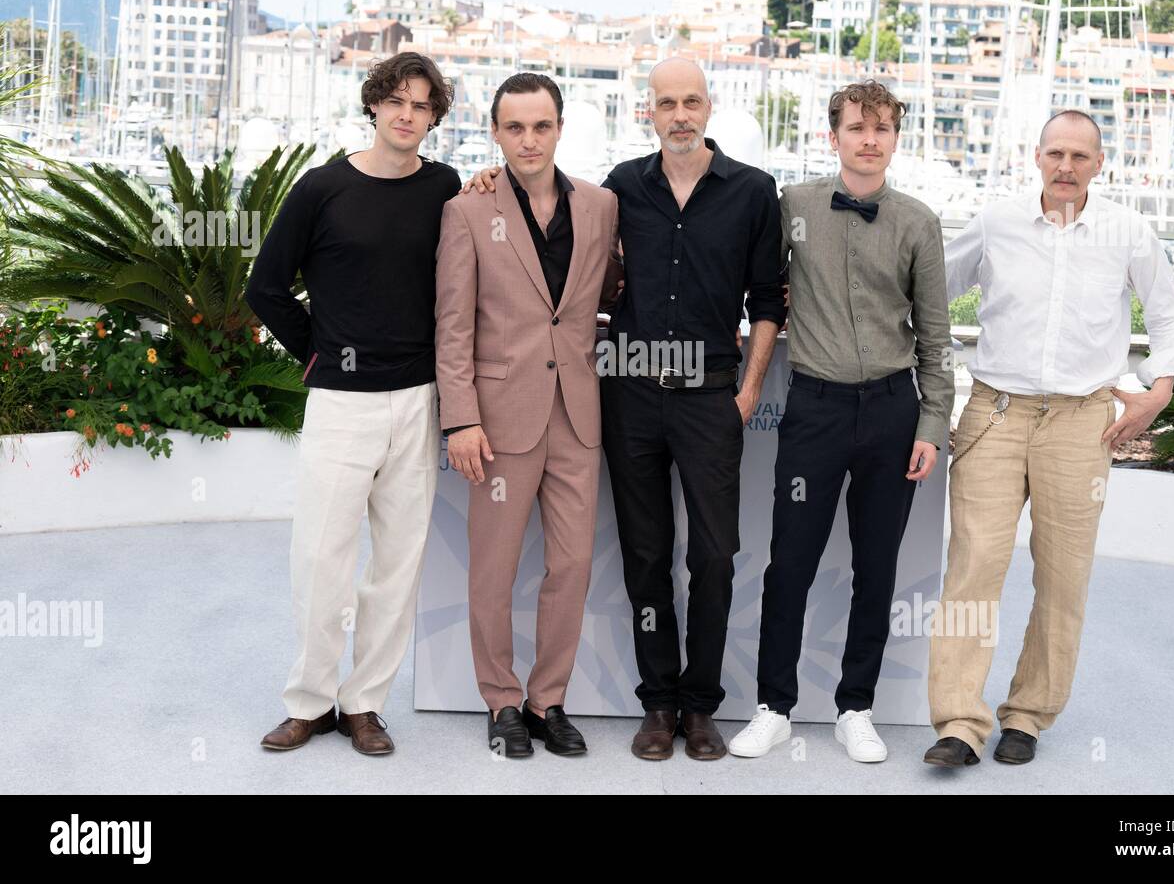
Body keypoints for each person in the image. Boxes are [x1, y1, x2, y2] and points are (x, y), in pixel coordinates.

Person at [460, 57, 785, 759]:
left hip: (710, 399)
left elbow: (767, 300)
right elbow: (554, 241)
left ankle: (702, 707)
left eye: (691, 101)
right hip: (630, 398)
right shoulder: (619, 191)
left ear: (710, 106)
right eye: (666, 102)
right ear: (650, 111)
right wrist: (490, 179)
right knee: (644, 558)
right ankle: (659, 705)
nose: (680, 114)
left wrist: (750, 390)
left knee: (715, 558)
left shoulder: (755, 192)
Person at [923, 110, 1174, 768]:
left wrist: (1158, 389)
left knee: (1064, 576)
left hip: (1083, 420)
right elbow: (932, 291)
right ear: (1036, 157)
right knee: (972, 571)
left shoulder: (1127, 231)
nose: (1066, 167)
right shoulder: (996, 222)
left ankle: (1029, 714)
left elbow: (1167, 310)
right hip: (994, 411)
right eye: (1055, 154)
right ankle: (959, 721)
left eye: (1080, 156)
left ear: (1100, 163)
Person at [727, 81, 953, 764]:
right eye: (857, 127)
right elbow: (752, 279)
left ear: (894, 139)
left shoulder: (919, 221)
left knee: (877, 567)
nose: (869, 139)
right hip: (815, 409)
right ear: (835, 135)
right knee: (787, 562)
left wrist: (933, 424)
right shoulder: (792, 205)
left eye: (882, 128)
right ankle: (774, 707)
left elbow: (938, 338)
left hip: (892, 411)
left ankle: (857, 706)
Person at [249, 52, 460, 756]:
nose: (407, 114)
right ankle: (308, 702)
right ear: (374, 105)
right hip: (341, 402)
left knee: (396, 566)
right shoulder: (322, 189)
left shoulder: (446, 188)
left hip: (419, 398)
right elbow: (266, 286)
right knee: (321, 561)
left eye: (422, 104)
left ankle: (364, 703)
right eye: (396, 100)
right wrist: (316, 352)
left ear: (435, 117)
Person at [436, 73, 620, 758]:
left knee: (572, 566)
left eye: (541, 126)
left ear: (560, 129)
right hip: (498, 420)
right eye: (514, 127)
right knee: (494, 567)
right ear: (495, 133)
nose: (528, 139)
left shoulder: (602, 207)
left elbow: (611, 290)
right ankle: (501, 701)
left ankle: (548, 700)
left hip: (577, 416)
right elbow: (452, 324)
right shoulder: (467, 210)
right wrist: (460, 419)